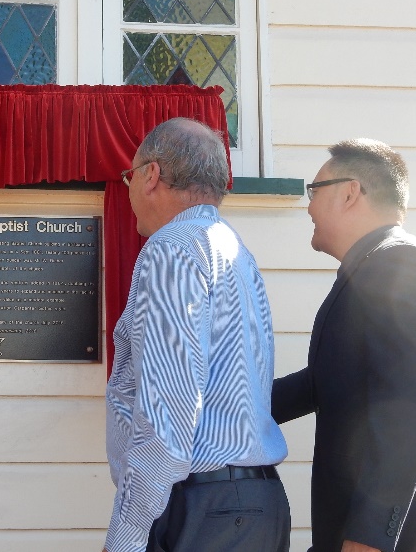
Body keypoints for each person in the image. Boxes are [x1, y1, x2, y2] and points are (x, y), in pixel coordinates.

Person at [104, 118, 290, 552]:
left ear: (151, 176)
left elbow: (168, 413)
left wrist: (126, 537)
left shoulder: (173, 248)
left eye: (129, 176)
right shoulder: (234, 249)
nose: (129, 189)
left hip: (204, 509)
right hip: (254, 505)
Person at [272, 139, 416, 552]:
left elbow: (410, 406)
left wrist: (371, 535)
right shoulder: (371, 267)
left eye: (314, 191)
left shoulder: (404, 266)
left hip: (401, 534)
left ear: (350, 192)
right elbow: (324, 382)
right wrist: (228, 412)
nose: (309, 207)